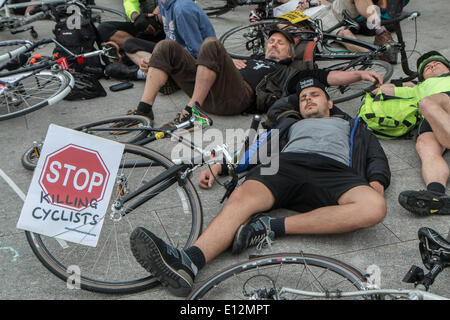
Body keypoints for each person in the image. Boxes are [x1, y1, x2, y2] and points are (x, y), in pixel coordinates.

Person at [128, 76, 390, 297]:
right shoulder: (289, 124)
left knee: (375, 208)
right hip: (287, 165)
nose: (308, 99)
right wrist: (223, 165)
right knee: (243, 195)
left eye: (315, 95)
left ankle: (270, 227)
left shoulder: (353, 125)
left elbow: (375, 156)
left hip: (334, 172)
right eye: (303, 98)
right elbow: (255, 149)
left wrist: (376, 183)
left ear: (330, 103)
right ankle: (188, 262)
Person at [126, 29, 383, 128]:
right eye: (270, 41)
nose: (273, 45)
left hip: (237, 97)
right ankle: (144, 109)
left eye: (279, 43)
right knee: (167, 46)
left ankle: (193, 112)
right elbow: (205, 63)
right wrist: (225, 61)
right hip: (210, 89)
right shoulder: (248, 59)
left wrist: (360, 73)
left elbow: (328, 77)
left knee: (212, 44)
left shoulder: (290, 72)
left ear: (290, 53)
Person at [375, 51, 450, 216]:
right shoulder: (419, 88)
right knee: (425, 145)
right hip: (433, 119)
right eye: (427, 68)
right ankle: (436, 196)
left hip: (444, 101)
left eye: (437, 63)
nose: (432, 66)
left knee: (427, 103)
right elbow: (382, 90)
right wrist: (405, 83)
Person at [100, 0, 216, 83]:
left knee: (133, 48)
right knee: (111, 32)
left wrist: (160, 58)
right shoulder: (163, 3)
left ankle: (140, 72)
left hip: (182, 48)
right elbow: (130, 2)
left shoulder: (182, 9)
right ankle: (138, 61)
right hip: (162, 32)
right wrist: (140, 18)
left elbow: (196, 50)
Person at [284, 0, 398, 60]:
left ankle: (380, 31)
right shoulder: (278, 9)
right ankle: (378, 53)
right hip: (316, 18)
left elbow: (327, 3)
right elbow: (285, 26)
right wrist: (298, 11)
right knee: (344, 34)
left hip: (332, 8)